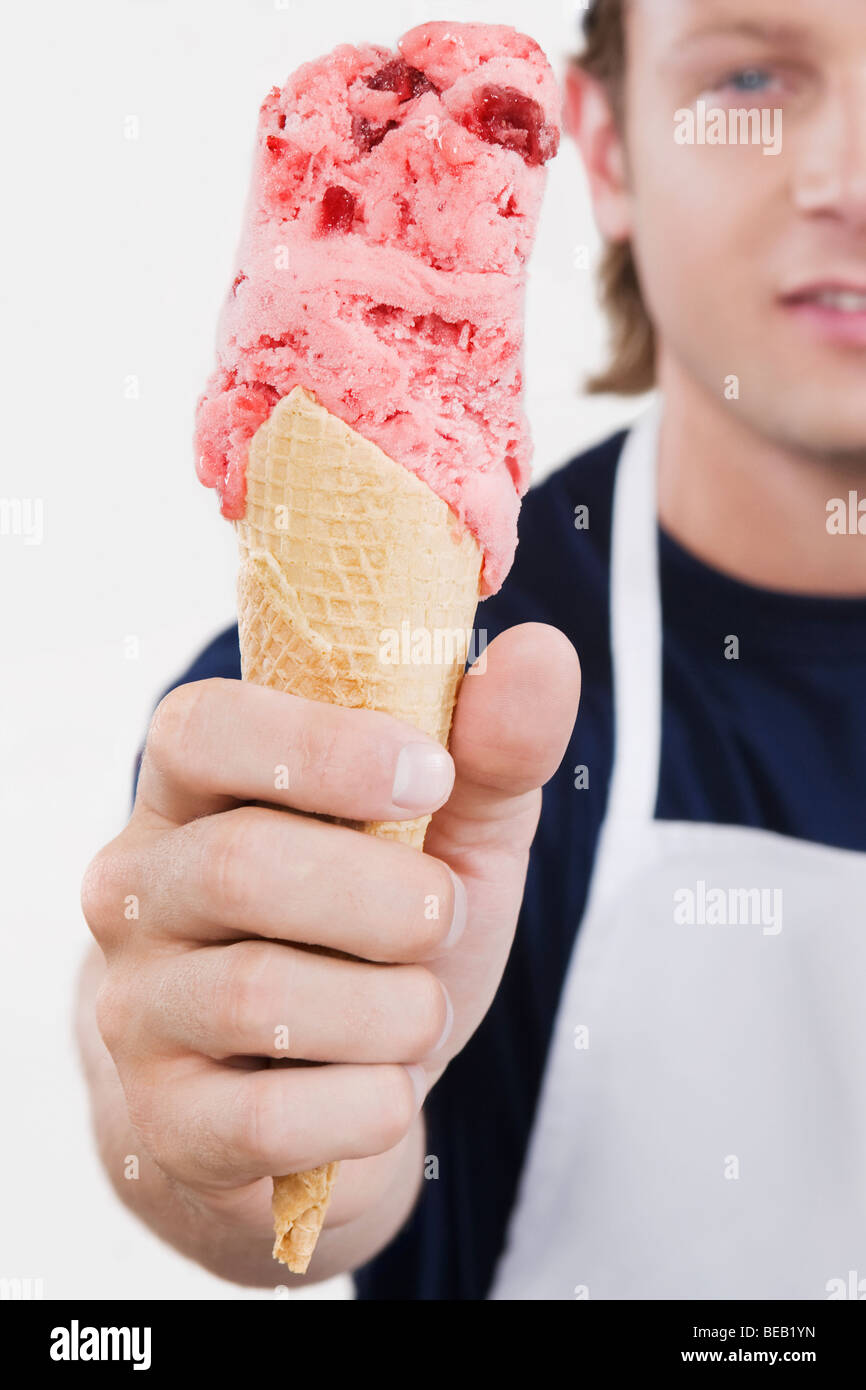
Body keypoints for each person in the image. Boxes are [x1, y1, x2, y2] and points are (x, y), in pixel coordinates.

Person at [78, 0, 866, 1299]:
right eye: (746, 74)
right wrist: (217, 1111)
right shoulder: (419, 685)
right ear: (603, 150)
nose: (849, 180)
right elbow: (183, 1011)